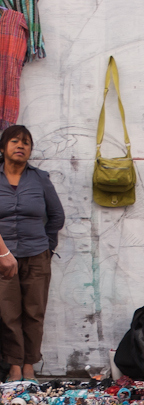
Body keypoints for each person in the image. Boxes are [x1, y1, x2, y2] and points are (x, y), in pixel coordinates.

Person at [0, 125, 65, 382]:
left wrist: (47, 247)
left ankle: (29, 364)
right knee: (8, 313)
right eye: (15, 141)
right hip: (3, 258)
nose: (21, 146)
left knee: (34, 312)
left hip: (37, 255)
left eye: (26, 142)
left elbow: (56, 216)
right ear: (3, 147)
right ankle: (14, 365)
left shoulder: (39, 178)